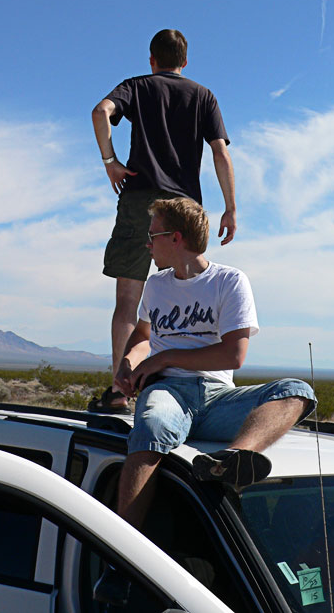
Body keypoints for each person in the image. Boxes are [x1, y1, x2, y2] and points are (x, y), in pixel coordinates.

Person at [93, 196, 316, 606]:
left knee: (296, 391)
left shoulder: (229, 281)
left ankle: (232, 460)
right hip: (168, 392)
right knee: (154, 424)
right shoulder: (157, 285)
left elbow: (233, 356)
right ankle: (119, 564)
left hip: (218, 397)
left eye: (152, 236)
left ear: (175, 238)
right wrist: (129, 360)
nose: (147, 244)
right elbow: (143, 335)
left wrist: (164, 355)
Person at [90, 28, 236, 413]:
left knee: (127, 301)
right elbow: (220, 153)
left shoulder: (137, 86)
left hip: (141, 199)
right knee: (189, 294)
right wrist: (230, 207)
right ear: (184, 62)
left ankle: (120, 392)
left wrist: (110, 162)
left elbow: (100, 112)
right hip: (185, 208)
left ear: (151, 60)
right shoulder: (203, 96)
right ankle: (185, 386)